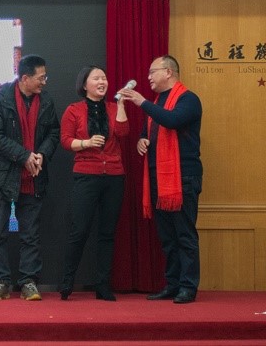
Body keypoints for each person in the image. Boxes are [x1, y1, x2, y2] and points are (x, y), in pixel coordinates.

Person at [118, 55, 203, 304]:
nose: (148, 78)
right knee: (167, 238)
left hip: (183, 177)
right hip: (158, 177)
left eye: (152, 72)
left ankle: (188, 287)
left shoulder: (188, 99)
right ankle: (172, 284)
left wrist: (141, 101)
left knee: (184, 235)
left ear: (168, 72)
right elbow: (149, 130)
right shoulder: (158, 101)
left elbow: (172, 121)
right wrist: (141, 140)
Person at [0, 54, 58, 301]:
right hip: (1, 177)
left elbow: (54, 133)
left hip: (34, 176)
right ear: (25, 78)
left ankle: (28, 281)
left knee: (30, 235)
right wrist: (24, 156)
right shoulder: (1, 100)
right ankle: (0, 281)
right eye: (41, 77)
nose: (44, 82)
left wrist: (41, 155)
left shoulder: (46, 101)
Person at [58, 65, 129, 301]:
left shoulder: (113, 107)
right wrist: (86, 143)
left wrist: (121, 104)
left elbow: (123, 132)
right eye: (96, 78)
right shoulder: (74, 110)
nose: (102, 82)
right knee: (79, 231)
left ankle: (103, 285)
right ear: (85, 84)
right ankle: (67, 282)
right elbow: (65, 141)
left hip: (114, 176)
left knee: (107, 233)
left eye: (104, 78)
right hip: (86, 174)